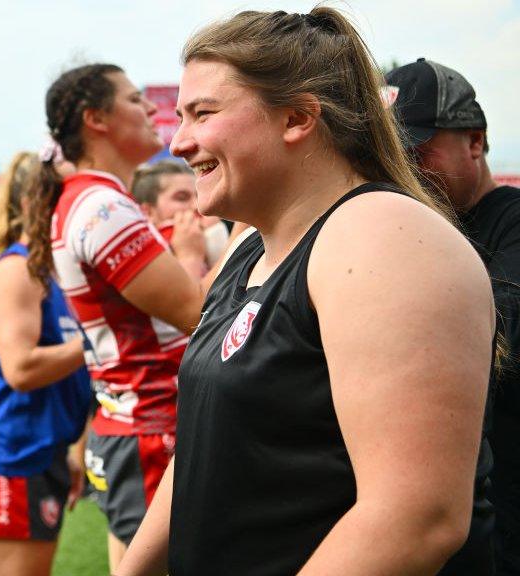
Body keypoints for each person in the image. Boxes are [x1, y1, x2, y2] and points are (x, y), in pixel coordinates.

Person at [117, 9, 494, 576]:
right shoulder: (249, 250)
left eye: (203, 114)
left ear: (296, 118)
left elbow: (417, 519)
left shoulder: (382, 237)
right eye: (180, 117)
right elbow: (206, 450)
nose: (179, 142)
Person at [26, 63, 208, 571]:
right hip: (151, 428)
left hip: (135, 424)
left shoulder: (94, 200)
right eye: (134, 99)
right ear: (96, 119)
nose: (153, 108)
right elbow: (196, 310)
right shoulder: (102, 207)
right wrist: (258, 233)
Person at [386, 57, 520, 575]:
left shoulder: (510, 222)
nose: (407, 170)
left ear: (476, 142)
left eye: (419, 151)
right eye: (394, 154)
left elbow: (497, 339)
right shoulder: (406, 227)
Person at [0, 151, 92, 576]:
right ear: (38, 203)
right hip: (10, 456)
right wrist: (99, 340)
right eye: (68, 195)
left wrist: (75, 447)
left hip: (42, 452)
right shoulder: (19, 271)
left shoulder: (53, 272)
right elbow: (22, 369)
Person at [131, 160, 232, 270]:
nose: (197, 206)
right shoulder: (140, 257)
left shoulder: (211, 230)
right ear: (148, 212)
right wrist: (190, 257)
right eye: (182, 198)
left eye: (199, 196)